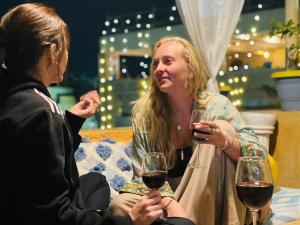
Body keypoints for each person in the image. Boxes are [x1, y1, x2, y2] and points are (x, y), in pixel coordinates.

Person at [0, 4, 194, 225]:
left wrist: (71, 122)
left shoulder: (14, 99)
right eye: (66, 49)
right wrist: (130, 220)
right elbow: (53, 216)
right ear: (53, 52)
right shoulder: (41, 111)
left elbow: (36, 158)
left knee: (95, 181)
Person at [109, 36, 271, 225]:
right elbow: (141, 173)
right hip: (168, 196)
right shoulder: (145, 115)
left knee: (222, 127)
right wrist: (170, 204)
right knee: (119, 205)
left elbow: (258, 156)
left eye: (167, 61)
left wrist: (225, 142)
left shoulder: (217, 106)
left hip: (215, 192)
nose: (159, 68)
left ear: (190, 67)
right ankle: (183, 219)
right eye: (155, 64)